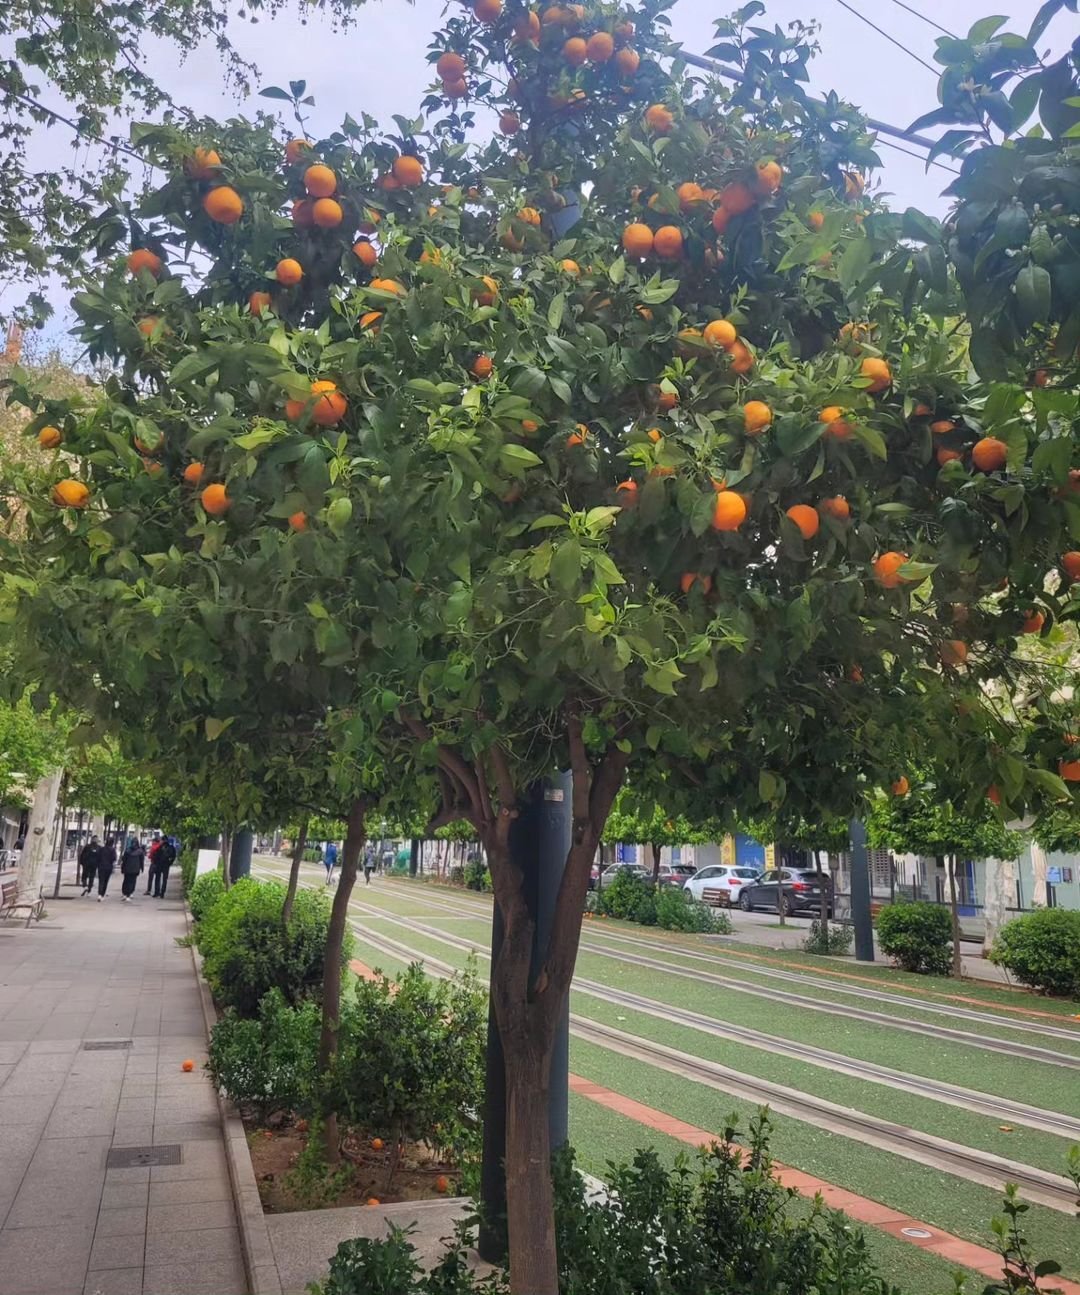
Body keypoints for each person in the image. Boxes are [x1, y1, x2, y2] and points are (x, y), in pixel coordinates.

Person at [119, 834, 145, 901]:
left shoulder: (127, 850)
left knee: (126, 880)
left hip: (127, 868)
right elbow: (141, 861)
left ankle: (125, 893)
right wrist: (142, 868)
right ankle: (129, 893)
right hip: (135, 869)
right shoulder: (140, 851)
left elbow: (124, 860)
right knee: (132, 881)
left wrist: (122, 868)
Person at [97, 835, 117, 900]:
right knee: (105, 881)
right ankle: (102, 894)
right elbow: (114, 858)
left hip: (101, 867)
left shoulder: (101, 849)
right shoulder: (113, 850)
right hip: (108, 867)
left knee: (101, 881)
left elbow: (98, 857)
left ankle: (99, 894)